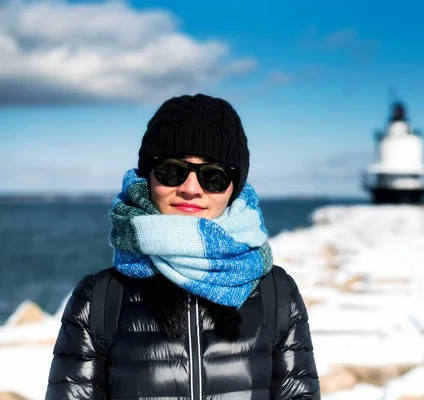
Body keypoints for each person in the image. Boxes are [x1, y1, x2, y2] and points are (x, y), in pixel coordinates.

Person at [45, 94, 321, 399]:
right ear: (148, 176)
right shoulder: (99, 297)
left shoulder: (276, 293)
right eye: (171, 170)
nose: (190, 189)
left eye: (214, 176)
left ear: (234, 187)